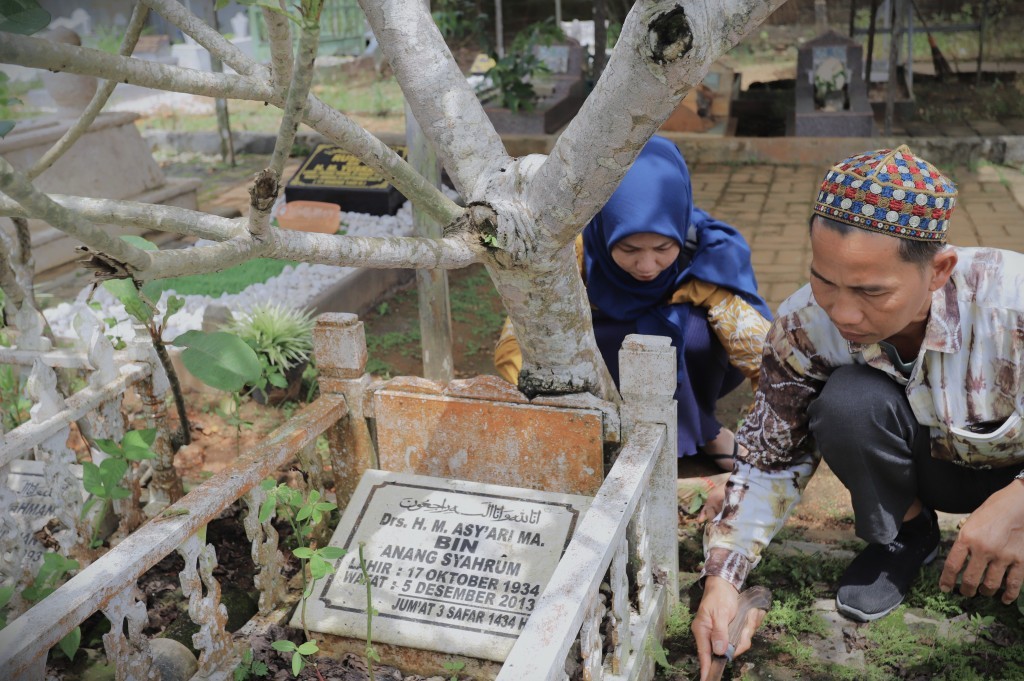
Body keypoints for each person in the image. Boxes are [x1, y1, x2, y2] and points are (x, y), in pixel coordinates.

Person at [692, 145, 1024, 680]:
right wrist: (723, 581)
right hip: (926, 471)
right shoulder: (804, 324)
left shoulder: (1013, 301)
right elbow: (768, 459)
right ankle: (904, 538)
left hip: (1014, 473)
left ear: (938, 270)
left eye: (872, 291)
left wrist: (1019, 504)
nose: (844, 313)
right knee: (848, 403)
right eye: (826, 281)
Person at [494, 135, 772, 467]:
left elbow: (757, 346)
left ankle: (702, 429)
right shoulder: (572, 250)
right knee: (596, 337)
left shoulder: (704, 249)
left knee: (696, 331)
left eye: (661, 249)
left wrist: (773, 426)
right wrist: (550, 400)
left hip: (683, 355)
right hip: (603, 362)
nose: (646, 267)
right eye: (629, 249)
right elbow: (522, 335)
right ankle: (605, 427)